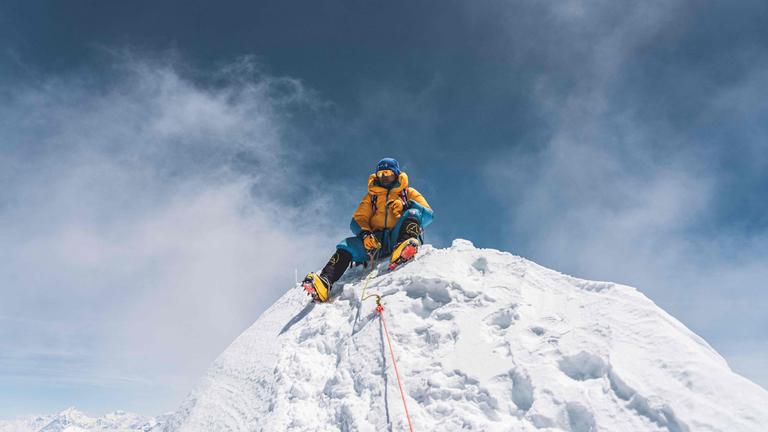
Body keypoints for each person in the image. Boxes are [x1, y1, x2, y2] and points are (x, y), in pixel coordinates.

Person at [302, 157, 434, 302]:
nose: (384, 177)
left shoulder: (407, 192)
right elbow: (358, 219)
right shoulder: (372, 197)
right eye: (381, 174)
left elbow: (428, 214)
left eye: (388, 173)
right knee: (347, 245)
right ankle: (324, 282)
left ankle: (404, 248)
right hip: (375, 243)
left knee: (413, 213)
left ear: (396, 174)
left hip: (398, 236)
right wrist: (365, 234)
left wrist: (406, 206)